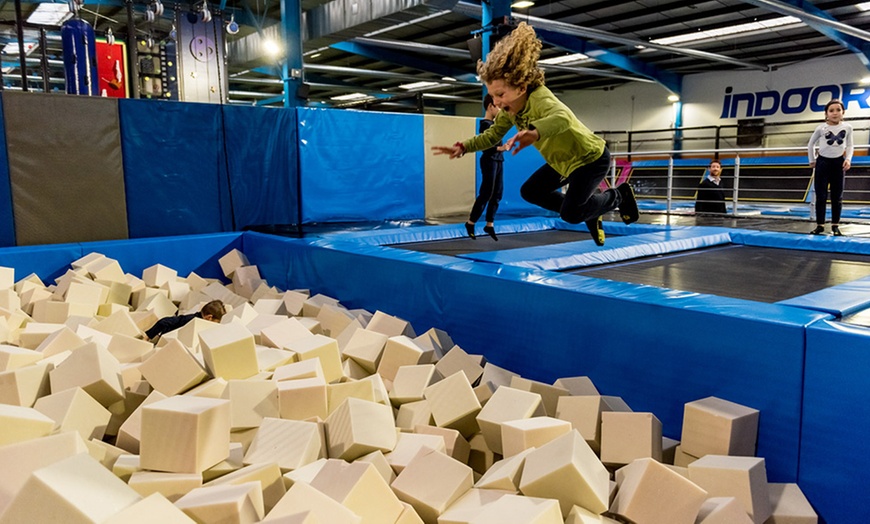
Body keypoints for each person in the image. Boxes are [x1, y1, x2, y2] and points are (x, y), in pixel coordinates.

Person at [431, 22, 638, 247]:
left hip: (590, 159)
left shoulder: (540, 98)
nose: (497, 102)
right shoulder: (509, 113)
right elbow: (491, 136)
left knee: (571, 214)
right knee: (531, 191)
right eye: (493, 97)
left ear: (520, 87)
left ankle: (620, 196)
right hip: (563, 163)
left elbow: (563, 118)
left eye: (500, 94)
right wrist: (463, 146)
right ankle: (588, 210)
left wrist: (535, 132)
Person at [808, 99, 852, 236]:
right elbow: (810, 144)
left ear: (843, 112)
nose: (835, 113)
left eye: (838, 110)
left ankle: (835, 225)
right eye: (831, 110)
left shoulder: (848, 128)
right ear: (826, 114)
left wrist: (848, 159)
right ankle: (820, 225)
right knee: (821, 196)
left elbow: (850, 145)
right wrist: (812, 160)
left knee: (837, 196)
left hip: (838, 163)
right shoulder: (821, 128)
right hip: (822, 163)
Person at [465, 94, 504, 241]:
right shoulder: (485, 125)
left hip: (499, 160)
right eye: (498, 106)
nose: (500, 110)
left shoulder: (495, 125)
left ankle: (489, 224)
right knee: (486, 192)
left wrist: (501, 150)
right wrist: (502, 148)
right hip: (489, 160)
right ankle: (471, 222)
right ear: (490, 106)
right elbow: (487, 148)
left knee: (498, 193)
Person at [144, 299, 226, 341]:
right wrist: (148, 335)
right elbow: (164, 322)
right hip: (168, 341)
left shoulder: (199, 323)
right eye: (216, 322)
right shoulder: (190, 320)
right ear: (209, 317)